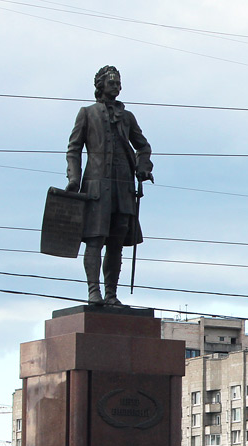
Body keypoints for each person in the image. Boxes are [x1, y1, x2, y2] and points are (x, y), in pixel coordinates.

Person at [66, 65, 153, 307]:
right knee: (95, 239)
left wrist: (143, 167)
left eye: (118, 82)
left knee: (116, 243)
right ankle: (94, 292)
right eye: (112, 82)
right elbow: (74, 149)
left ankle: (111, 294)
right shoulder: (87, 113)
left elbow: (143, 146)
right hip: (96, 188)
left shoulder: (127, 117)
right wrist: (74, 179)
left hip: (123, 187)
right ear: (101, 85)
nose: (116, 86)